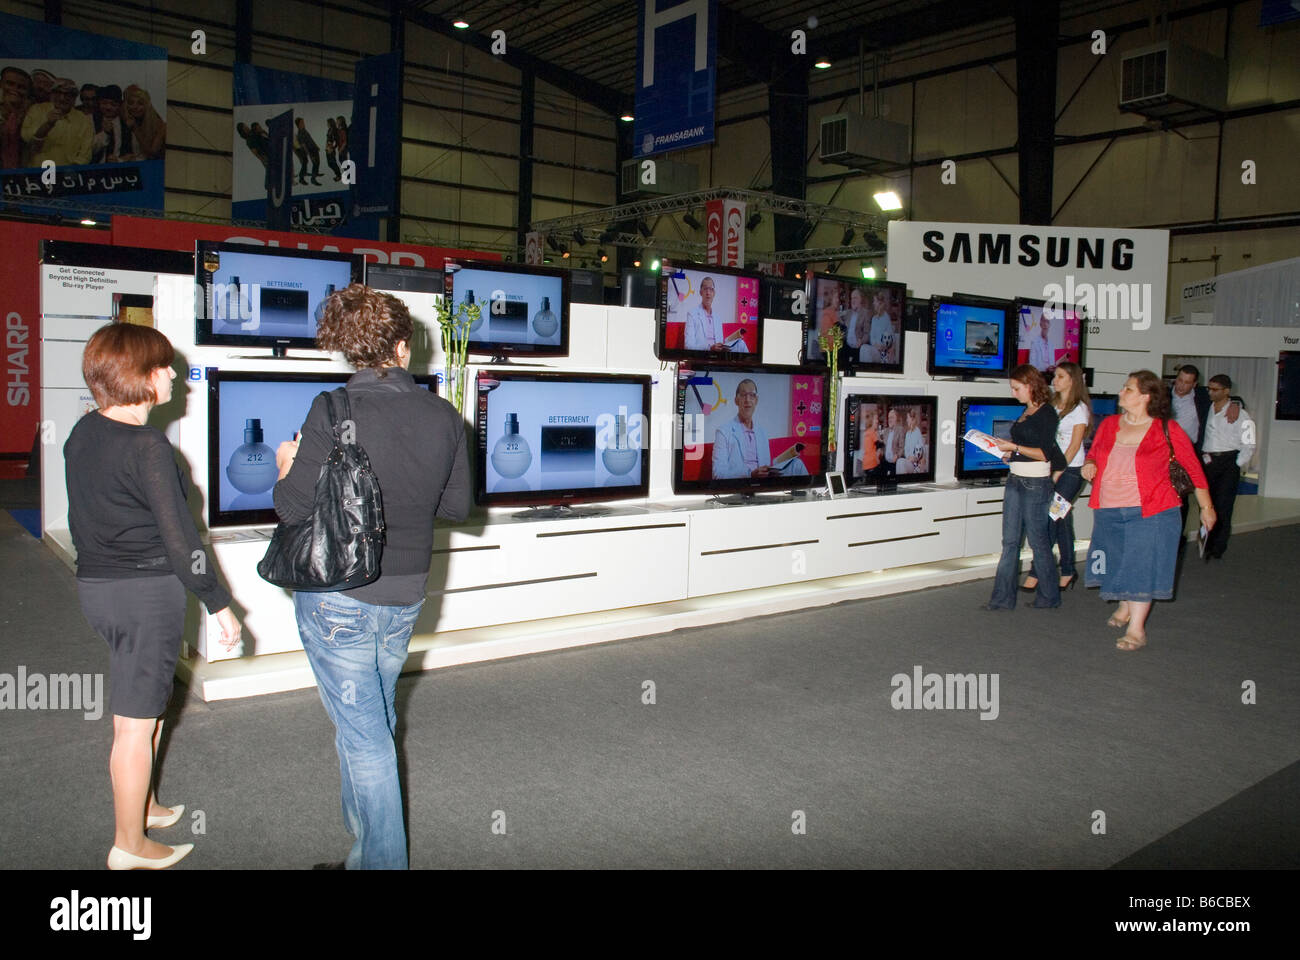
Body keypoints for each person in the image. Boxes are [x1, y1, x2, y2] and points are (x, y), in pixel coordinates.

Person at [273, 284, 469, 869]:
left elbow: (290, 507)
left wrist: (286, 466)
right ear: (403, 348)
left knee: (364, 738)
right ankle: (365, 855)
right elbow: (456, 507)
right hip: (405, 594)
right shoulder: (444, 416)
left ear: (350, 353)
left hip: (340, 597)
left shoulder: (332, 410)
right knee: (372, 722)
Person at [65, 324, 242, 870]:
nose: (172, 374)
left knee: (140, 708)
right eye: (161, 366)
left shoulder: (83, 431)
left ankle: (144, 804)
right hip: (144, 595)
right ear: (136, 377)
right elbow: (181, 540)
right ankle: (130, 844)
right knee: (135, 725)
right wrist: (218, 601)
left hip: (100, 588)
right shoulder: (146, 446)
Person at [1082, 370, 1215, 650]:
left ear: (1146, 396)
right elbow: (1094, 452)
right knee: (1117, 562)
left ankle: (1137, 629)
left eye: (1128, 389)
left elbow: (1193, 469)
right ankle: (1125, 606)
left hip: (1152, 510)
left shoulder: (1167, 429)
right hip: (1108, 508)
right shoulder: (1109, 425)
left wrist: (1207, 507)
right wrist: (1090, 463)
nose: (1121, 392)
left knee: (1141, 566)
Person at [982, 364, 1067, 611]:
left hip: (1036, 483)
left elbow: (1043, 453)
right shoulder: (1026, 411)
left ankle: (1049, 596)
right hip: (1016, 479)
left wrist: (1014, 449)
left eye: (1017, 388)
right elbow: (1025, 447)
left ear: (1030, 386)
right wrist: (1010, 455)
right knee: (1009, 542)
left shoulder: (1047, 413)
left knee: (1038, 542)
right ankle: (1001, 599)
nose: (1014, 393)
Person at [1022, 362, 1090, 592]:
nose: (1055, 380)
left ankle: (1037, 571)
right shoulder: (1050, 404)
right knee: (1061, 519)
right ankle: (1069, 569)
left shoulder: (1079, 408)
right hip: (1050, 468)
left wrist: (1058, 471)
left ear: (1072, 380)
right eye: (1055, 376)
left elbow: (1073, 446)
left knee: (1050, 517)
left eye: (1060, 376)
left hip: (1071, 471)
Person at [1169, 363, 1239, 534]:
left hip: (1188, 453)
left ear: (1194, 385)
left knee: (1182, 499)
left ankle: (1178, 539)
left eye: (1187, 382)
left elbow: (1230, 398)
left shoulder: (1202, 396)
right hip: (1164, 452)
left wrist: (1236, 404)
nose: (1181, 385)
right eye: (1179, 380)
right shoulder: (1162, 395)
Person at [1199, 373, 1255, 560]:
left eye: (1215, 389)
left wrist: (1236, 464)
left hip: (1228, 461)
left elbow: (1249, 443)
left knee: (1223, 506)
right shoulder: (1207, 406)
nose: (1210, 392)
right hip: (1208, 461)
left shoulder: (1241, 414)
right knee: (1206, 504)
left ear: (1226, 391)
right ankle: (1206, 542)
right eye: (1209, 388)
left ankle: (1218, 547)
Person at [711, 378, 807, 480]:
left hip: (764, 483)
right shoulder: (723, 432)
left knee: (797, 464)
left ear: (756, 400)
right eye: (743, 395)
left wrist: (773, 468)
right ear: (736, 401)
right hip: (741, 484)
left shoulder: (762, 432)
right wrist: (750, 474)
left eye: (752, 395)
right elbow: (718, 474)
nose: (747, 400)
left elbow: (765, 465)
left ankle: (810, 494)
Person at [21, 77, 93, 166]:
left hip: (67, 175)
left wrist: (70, 171)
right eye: (58, 93)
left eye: (68, 94)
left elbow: (85, 155)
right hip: (36, 172)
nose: (62, 98)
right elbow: (26, 139)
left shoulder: (84, 120)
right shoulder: (36, 109)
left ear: (75, 98)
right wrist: (47, 124)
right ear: (51, 94)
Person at [684, 276, 746, 353]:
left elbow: (720, 341)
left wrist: (730, 341)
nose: (708, 293)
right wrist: (710, 348)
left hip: (719, 354)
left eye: (711, 289)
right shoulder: (692, 314)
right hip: (704, 354)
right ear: (701, 292)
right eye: (705, 289)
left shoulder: (718, 318)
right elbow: (688, 345)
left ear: (714, 293)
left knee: (740, 343)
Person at [121, 84, 165, 160]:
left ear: (147, 106)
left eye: (140, 103)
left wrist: (135, 129)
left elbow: (152, 152)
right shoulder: (124, 122)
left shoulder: (160, 125)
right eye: (131, 103)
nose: (135, 107)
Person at [1, 66, 31, 169]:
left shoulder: (32, 113)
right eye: (10, 84)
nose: (15, 89)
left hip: (20, 175)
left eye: (21, 87)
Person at [91, 84, 127, 163]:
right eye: (104, 103)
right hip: (94, 170)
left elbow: (132, 155)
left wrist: (120, 160)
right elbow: (87, 149)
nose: (108, 107)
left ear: (120, 105)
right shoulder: (90, 120)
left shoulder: (126, 123)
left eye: (113, 104)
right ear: (99, 103)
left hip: (120, 170)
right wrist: (105, 133)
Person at [864, 290, 898, 364]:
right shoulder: (874, 319)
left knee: (866, 350)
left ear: (880, 303)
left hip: (883, 351)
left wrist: (884, 347)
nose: (873, 303)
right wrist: (876, 345)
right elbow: (872, 337)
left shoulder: (886, 317)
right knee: (864, 348)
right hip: (875, 348)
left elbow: (891, 338)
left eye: (874, 301)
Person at [896, 406, 929, 475]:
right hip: (909, 460)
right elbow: (905, 450)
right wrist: (908, 457)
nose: (906, 420)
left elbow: (922, 450)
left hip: (915, 463)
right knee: (899, 461)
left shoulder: (917, 432)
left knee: (901, 462)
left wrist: (915, 458)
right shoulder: (907, 434)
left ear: (912, 419)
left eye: (908, 418)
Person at [294, 116, 321, 185]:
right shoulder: (300, 134)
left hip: (313, 148)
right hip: (310, 150)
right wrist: (310, 155)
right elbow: (304, 146)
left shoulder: (304, 130)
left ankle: (314, 174)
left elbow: (310, 139)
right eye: (302, 122)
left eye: (303, 122)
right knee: (314, 163)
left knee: (317, 163)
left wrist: (316, 145)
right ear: (299, 124)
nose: (304, 123)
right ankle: (312, 179)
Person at [880, 406, 904, 479]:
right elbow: (883, 446)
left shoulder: (900, 430)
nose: (889, 420)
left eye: (892, 417)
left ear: (896, 418)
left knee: (892, 482)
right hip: (885, 461)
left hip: (895, 462)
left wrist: (897, 455)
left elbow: (902, 447)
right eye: (889, 417)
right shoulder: (886, 431)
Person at [859, 406, 880, 477]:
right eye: (876, 419)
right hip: (872, 464)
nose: (877, 421)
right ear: (872, 421)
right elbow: (879, 445)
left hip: (865, 464)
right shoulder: (872, 432)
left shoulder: (867, 432)